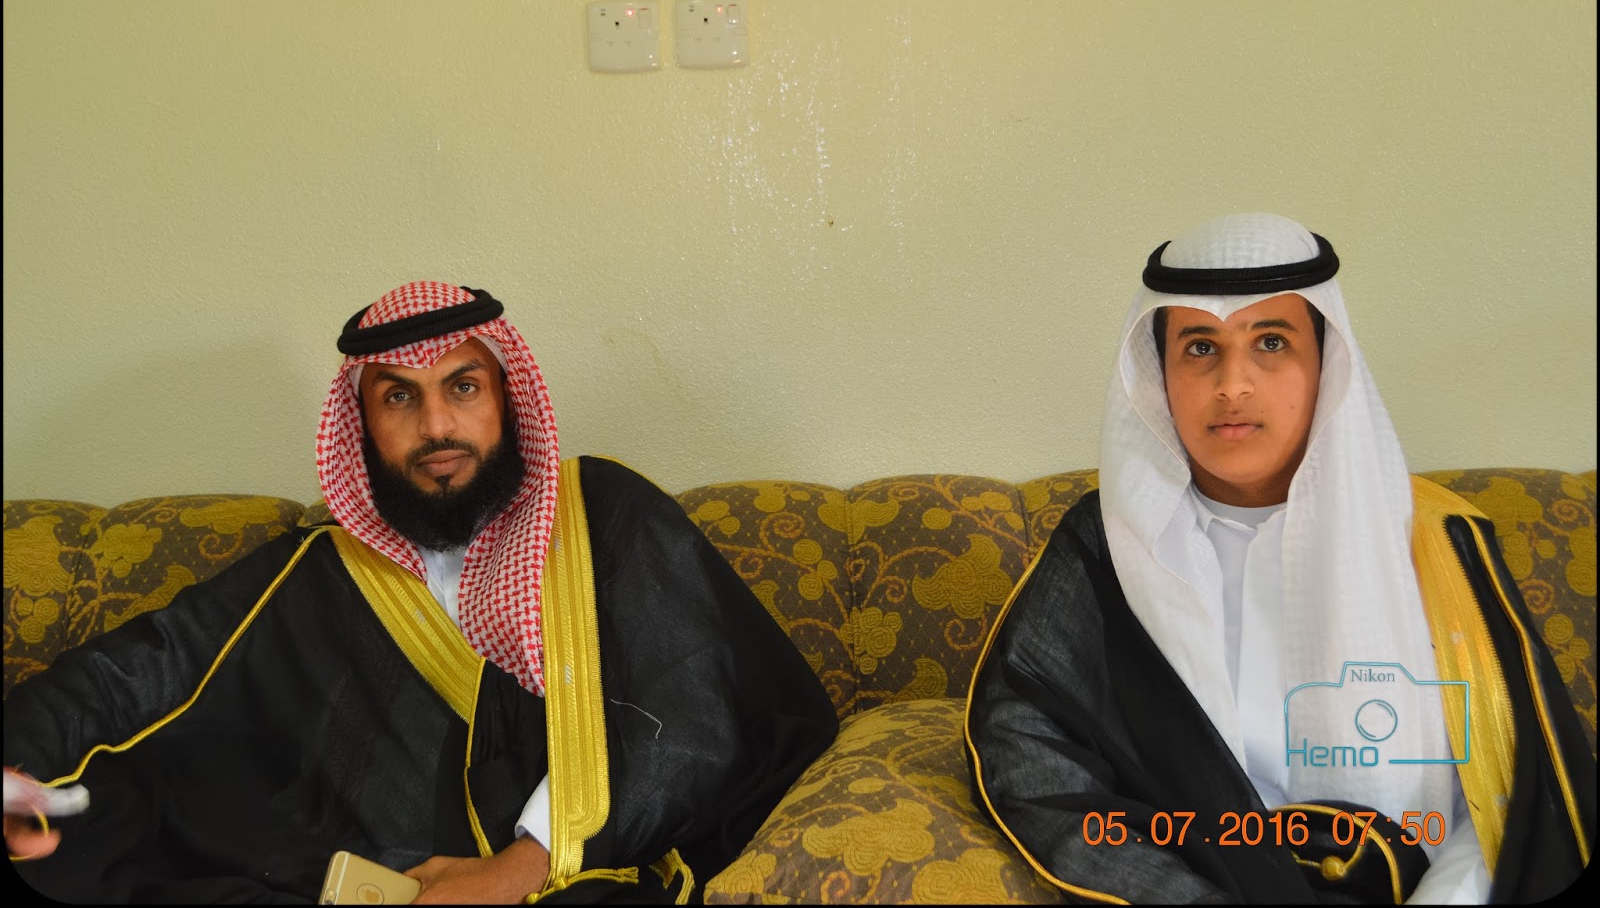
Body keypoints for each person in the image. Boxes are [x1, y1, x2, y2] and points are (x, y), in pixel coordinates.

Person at [4, 281, 838, 903]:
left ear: (506, 399)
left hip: (579, 875)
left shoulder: (606, 514)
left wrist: (515, 870)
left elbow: (688, 713)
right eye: (399, 397)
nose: (436, 426)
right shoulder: (321, 568)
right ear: (362, 427)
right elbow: (139, 670)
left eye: (462, 387)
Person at [965, 214, 1594, 903]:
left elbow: (1507, 793)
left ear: (1326, 364)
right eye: (1199, 347)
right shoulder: (1105, 547)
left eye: (1271, 342)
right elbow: (1031, 757)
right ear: (1159, 375)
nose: (1232, 384)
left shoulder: (1436, 541)